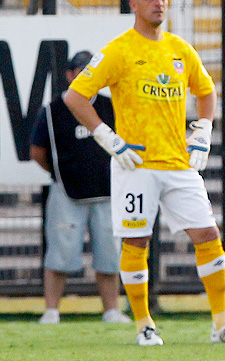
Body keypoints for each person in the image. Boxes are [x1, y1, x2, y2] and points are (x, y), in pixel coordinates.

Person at [63, 0, 225, 347]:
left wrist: (203, 131)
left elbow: (206, 91)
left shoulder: (179, 48)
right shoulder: (119, 50)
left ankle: (222, 323)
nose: (159, 2)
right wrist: (108, 138)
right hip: (136, 165)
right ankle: (144, 325)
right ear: (134, 5)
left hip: (179, 164)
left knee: (208, 235)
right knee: (137, 242)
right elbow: (75, 96)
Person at [30, 50, 131, 325]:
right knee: (60, 252)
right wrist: (62, 174)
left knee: (109, 254)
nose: (86, 76)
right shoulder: (52, 111)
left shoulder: (112, 106)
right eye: (80, 70)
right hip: (67, 193)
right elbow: (37, 151)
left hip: (107, 192)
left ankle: (111, 310)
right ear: (69, 74)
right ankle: (52, 310)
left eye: (90, 71)